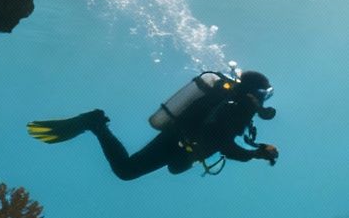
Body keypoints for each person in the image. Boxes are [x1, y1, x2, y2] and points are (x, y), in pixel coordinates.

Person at [28, 70, 280, 180]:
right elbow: (224, 145)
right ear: (253, 93)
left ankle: (96, 125)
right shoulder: (235, 108)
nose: (262, 101)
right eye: (263, 95)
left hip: (179, 142)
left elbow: (218, 139)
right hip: (177, 141)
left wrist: (255, 151)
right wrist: (254, 155)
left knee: (141, 169)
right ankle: (96, 124)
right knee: (127, 171)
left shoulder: (230, 103)